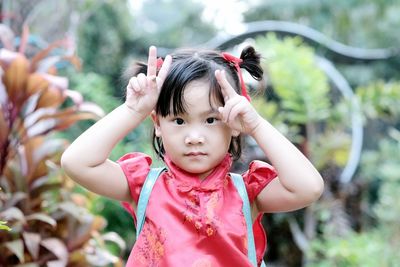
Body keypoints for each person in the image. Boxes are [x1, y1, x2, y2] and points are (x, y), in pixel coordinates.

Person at [61, 45, 324, 266]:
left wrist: (256, 125)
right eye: (178, 120)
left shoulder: (248, 194)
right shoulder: (145, 187)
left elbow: (308, 187)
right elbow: (76, 162)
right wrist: (132, 110)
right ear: (158, 124)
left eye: (210, 120)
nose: (194, 136)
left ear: (233, 124)